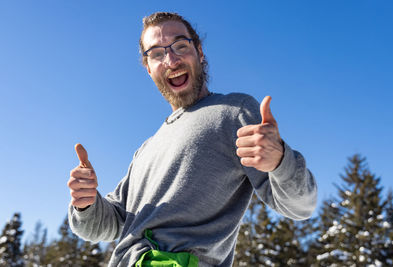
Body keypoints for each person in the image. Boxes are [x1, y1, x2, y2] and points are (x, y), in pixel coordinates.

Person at [67, 12, 317, 267]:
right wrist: (86, 203)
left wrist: (279, 160)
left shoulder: (233, 111)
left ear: (199, 51)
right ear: (148, 67)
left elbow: (300, 205)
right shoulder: (146, 149)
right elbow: (109, 225)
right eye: (156, 53)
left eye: (180, 46)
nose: (171, 60)